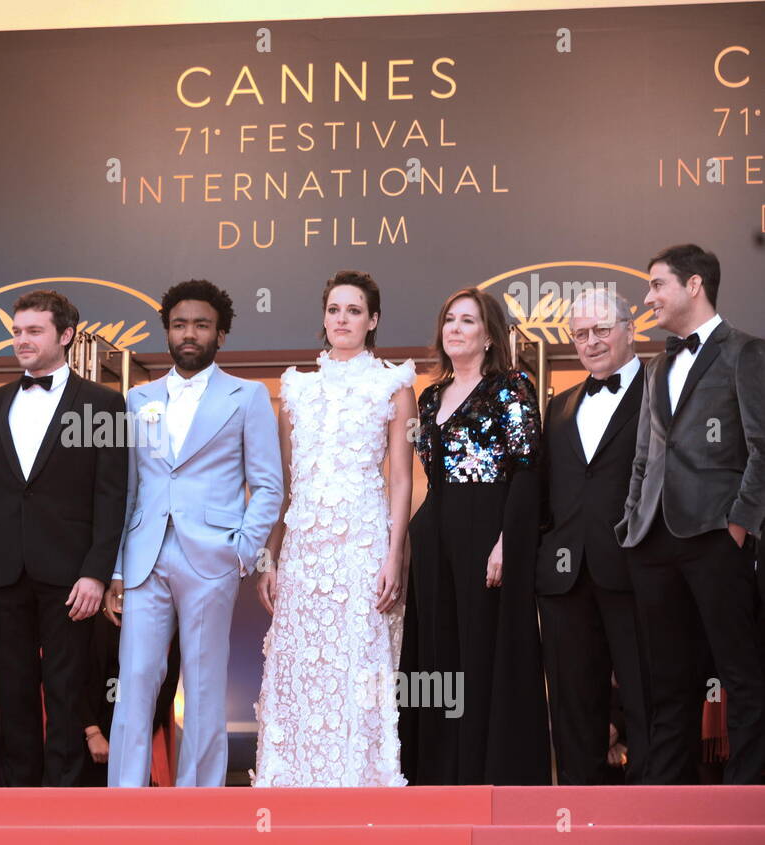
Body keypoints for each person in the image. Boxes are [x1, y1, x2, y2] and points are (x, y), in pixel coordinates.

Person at [0, 290, 127, 787]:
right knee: (12, 691)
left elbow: (114, 496)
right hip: (4, 572)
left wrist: (96, 572)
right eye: (17, 331)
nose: (21, 340)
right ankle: (16, 803)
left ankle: (63, 808)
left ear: (65, 336)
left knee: (67, 693)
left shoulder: (103, 402)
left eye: (34, 331)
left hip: (71, 576)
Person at [106, 279, 282, 788]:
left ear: (220, 335)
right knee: (136, 680)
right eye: (180, 324)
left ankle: (200, 803)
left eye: (201, 325)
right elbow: (127, 487)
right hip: (144, 558)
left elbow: (268, 485)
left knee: (204, 684)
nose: (189, 333)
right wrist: (117, 567)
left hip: (212, 559)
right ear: (167, 331)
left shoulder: (247, 396)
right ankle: (123, 799)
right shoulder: (138, 397)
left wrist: (242, 551)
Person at [252, 271, 416, 787]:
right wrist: (269, 558)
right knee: (300, 668)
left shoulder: (394, 385)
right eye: (334, 310)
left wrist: (394, 555)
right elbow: (282, 482)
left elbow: (401, 480)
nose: (342, 319)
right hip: (303, 550)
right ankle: (292, 790)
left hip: (363, 547)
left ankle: (359, 789)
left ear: (373, 320)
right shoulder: (296, 387)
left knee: (357, 668)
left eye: (353, 310)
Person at [616, 244, 765, 784]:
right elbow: (642, 456)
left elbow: (761, 448)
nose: (648, 296)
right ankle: (667, 795)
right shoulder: (657, 364)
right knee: (667, 679)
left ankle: (744, 793)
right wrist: (632, 521)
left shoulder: (745, 353)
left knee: (740, 672)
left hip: (715, 538)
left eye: (657, 284)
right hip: (653, 541)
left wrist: (738, 527)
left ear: (693, 285)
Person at [399, 287, 550, 785]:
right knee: (437, 656)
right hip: (436, 527)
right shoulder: (428, 397)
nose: (456, 328)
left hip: (490, 525)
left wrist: (509, 539)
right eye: (449, 319)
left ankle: (485, 776)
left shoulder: (511, 386)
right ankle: (438, 776)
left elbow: (528, 470)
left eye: (468, 320)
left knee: (483, 651)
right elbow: (431, 475)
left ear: (489, 335)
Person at [537, 288, 650, 784]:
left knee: (649, 697)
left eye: (601, 329)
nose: (591, 342)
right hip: (565, 580)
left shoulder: (661, 392)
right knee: (573, 705)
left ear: (630, 329)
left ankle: (652, 814)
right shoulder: (559, 407)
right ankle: (579, 816)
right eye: (580, 334)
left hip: (639, 570)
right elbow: (546, 495)